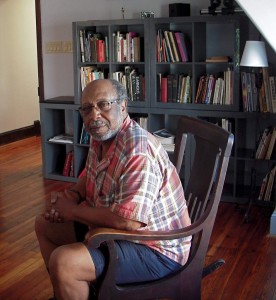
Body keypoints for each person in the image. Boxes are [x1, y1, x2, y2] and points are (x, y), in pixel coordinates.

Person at [35, 79, 191, 300]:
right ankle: (70, 291)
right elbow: (88, 176)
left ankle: (70, 280)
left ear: (123, 106)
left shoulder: (138, 150)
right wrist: (73, 195)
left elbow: (129, 222)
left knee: (64, 262)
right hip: (119, 232)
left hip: (156, 249)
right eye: (87, 109)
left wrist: (72, 211)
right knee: (44, 225)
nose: (94, 115)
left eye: (103, 104)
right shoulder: (101, 136)